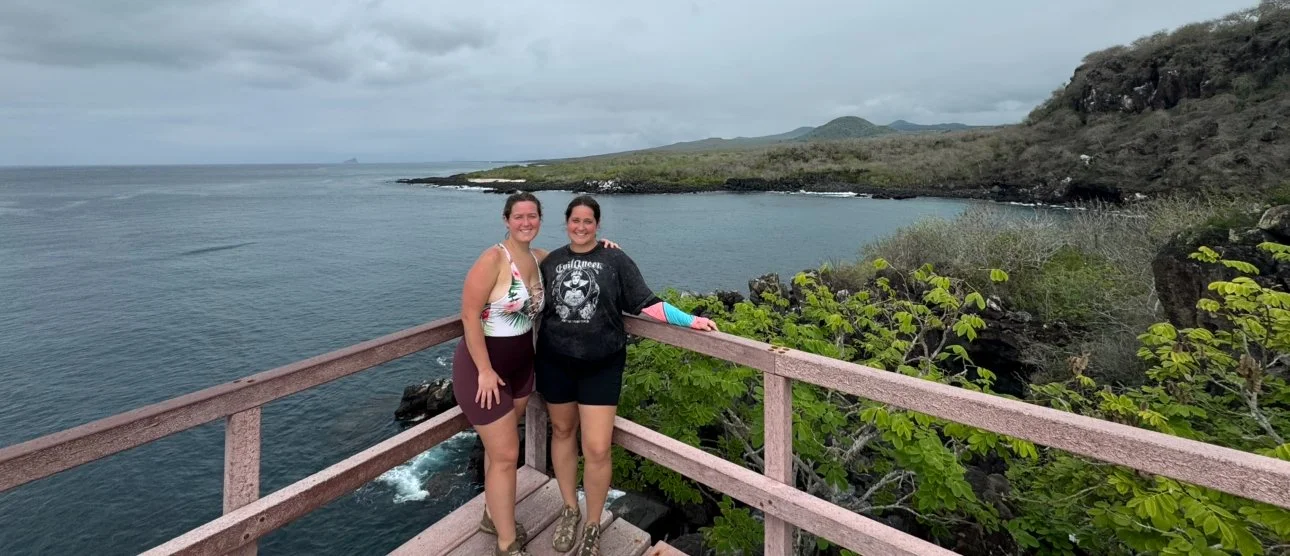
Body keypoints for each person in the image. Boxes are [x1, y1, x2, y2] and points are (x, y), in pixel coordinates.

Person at [535, 195, 718, 555]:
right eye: (576, 220)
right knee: (562, 432)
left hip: (602, 364)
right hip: (555, 362)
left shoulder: (615, 258)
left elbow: (646, 302)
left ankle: (592, 523)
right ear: (566, 222)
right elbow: (527, 293)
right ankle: (570, 509)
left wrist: (691, 320)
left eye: (589, 221)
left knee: (598, 447)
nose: (582, 227)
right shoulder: (551, 261)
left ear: (598, 225)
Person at [451, 191, 617, 556]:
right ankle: (508, 544)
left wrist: (603, 247)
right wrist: (483, 370)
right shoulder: (494, 259)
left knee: (500, 453)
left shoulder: (541, 258)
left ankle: (491, 515)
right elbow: (468, 315)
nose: (526, 223)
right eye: (519, 217)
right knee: (508, 454)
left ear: (541, 220)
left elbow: (576, 257)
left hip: (522, 369)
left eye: (532, 216)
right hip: (486, 372)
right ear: (506, 220)